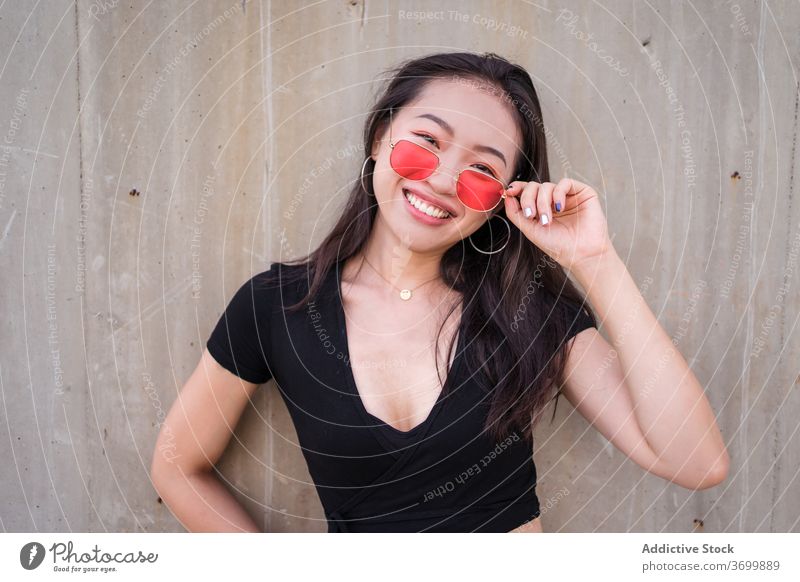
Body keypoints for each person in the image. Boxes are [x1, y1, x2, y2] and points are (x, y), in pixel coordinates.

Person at [150, 51, 730, 533]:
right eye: (425, 142)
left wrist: (595, 262)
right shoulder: (276, 307)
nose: (444, 180)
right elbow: (177, 468)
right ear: (380, 137)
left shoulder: (527, 310)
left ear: (506, 196)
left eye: (483, 170)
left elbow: (697, 461)